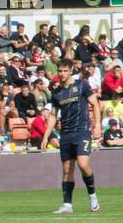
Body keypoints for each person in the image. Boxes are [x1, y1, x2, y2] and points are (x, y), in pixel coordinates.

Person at [41, 60, 101, 214]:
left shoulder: (82, 85)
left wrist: (97, 125)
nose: (61, 74)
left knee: (83, 164)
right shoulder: (57, 93)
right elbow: (53, 116)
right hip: (66, 134)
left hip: (82, 131)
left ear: (70, 71)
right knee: (67, 169)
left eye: (64, 71)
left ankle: (92, 196)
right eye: (59, 71)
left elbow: (95, 104)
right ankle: (67, 204)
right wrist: (45, 136)